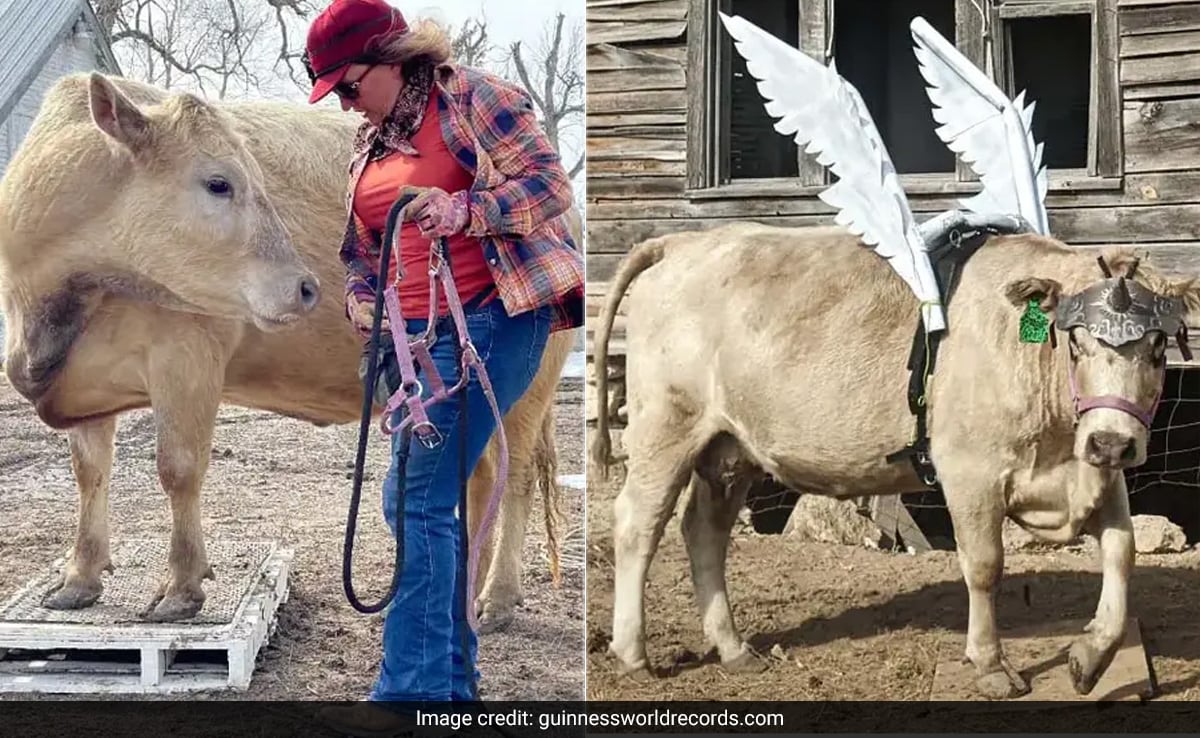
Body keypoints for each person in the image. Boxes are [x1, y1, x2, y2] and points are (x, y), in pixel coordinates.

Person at [302, 0, 583, 730]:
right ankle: (451, 687)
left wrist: (466, 213)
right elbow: (363, 249)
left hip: (496, 315)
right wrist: (364, 297)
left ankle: (412, 695)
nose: (343, 100)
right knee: (414, 502)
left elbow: (549, 187)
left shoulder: (476, 100)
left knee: (419, 501)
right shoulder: (371, 144)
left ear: (390, 60)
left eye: (347, 83)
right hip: (416, 336)